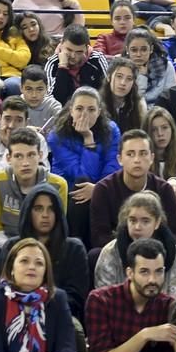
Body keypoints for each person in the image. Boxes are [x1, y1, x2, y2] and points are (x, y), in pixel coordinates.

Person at [0, 237, 77, 352]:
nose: (32, 267)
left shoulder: (58, 298)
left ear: (45, 271)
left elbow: (67, 349)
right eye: (24, 261)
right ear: (11, 269)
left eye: (39, 263)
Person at [46, 86, 121, 242]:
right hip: (70, 191)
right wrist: (88, 139)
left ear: (99, 112)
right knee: (81, 188)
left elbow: (112, 166)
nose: (84, 115)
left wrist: (98, 189)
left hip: (101, 189)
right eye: (79, 109)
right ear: (71, 110)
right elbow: (82, 176)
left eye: (91, 109)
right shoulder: (57, 136)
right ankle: (78, 245)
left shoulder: (112, 130)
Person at [84, 237, 176, 352]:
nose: (152, 280)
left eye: (158, 272)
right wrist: (144, 335)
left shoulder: (169, 306)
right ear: (130, 273)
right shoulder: (101, 301)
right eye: (144, 272)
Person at [90, 129, 176, 249]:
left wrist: (149, 245)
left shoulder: (164, 189)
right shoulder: (103, 189)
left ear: (151, 158)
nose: (137, 160)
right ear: (120, 159)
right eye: (130, 154)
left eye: (143, 153)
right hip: (119, 251)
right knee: (95, 255)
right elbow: (99, 237)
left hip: (156, 253)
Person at [94, 187, 176, 298]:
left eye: (145, 221)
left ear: (157, 222)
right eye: (132, 220)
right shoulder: (110, 252)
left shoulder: (175, 253)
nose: (137, 227)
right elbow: (104, 298)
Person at [0, 127, 67, 247]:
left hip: (45, 247)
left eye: (31, 155)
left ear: (40, 156)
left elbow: (57, 229)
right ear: (9, 159)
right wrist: (17, 250)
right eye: (18, 156)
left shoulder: (58, 185)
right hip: (5, 246)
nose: (25, 163)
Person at [44, 24, 110, 105]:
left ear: (86, 48)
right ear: (61, 44)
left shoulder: (97, 59)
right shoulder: (52, 63)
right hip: (62, 113)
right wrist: (62, 67)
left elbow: (108, 92)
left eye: (79, 52)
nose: (73, 56)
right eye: (69, 49)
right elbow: (51, 101)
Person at [124, 28, 175, 107]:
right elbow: (131, 102)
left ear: (151, 49)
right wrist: (142, 77)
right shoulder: (122, 69)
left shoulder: (167, 67)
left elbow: (170, 99)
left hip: (160, 112)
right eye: (134, 50)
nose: (138, 54)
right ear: (127, 50)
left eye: (144, 50)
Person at [100, 57, 146, 133]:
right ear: (109, 77)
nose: (123, 83)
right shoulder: (97, 103)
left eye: (129, 78)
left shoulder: (139, 104)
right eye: (119, 76)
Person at [19, 65, 62, 131]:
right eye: (29, 89)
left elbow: (64, 128)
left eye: (39, 89)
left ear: (46, 89)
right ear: (21, 88)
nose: (34, 95)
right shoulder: (16, 106)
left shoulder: (53, 106)